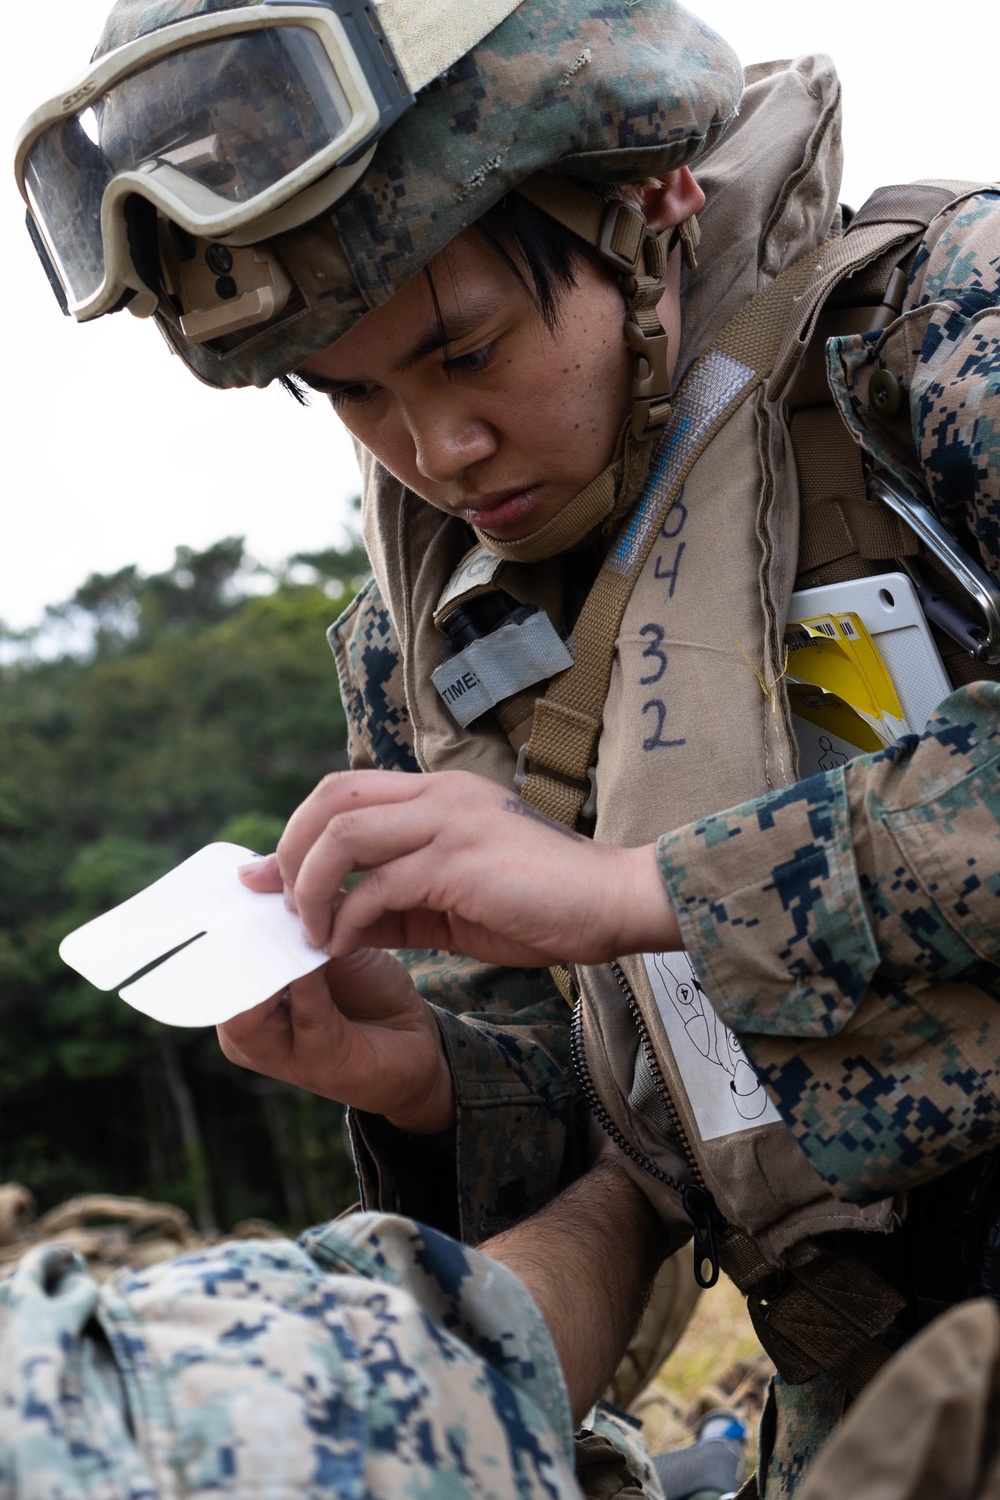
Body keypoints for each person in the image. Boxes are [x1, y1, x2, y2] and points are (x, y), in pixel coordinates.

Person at [13, 0, 1000, 1495]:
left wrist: (648, 889)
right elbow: (642, 1168)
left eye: (466, 349)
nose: (434, 448)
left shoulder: (938, 333)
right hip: (873, 1422)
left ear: (641, 198)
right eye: (354, 393)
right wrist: (428, 1077)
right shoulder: (429, 655)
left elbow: (651, 925)